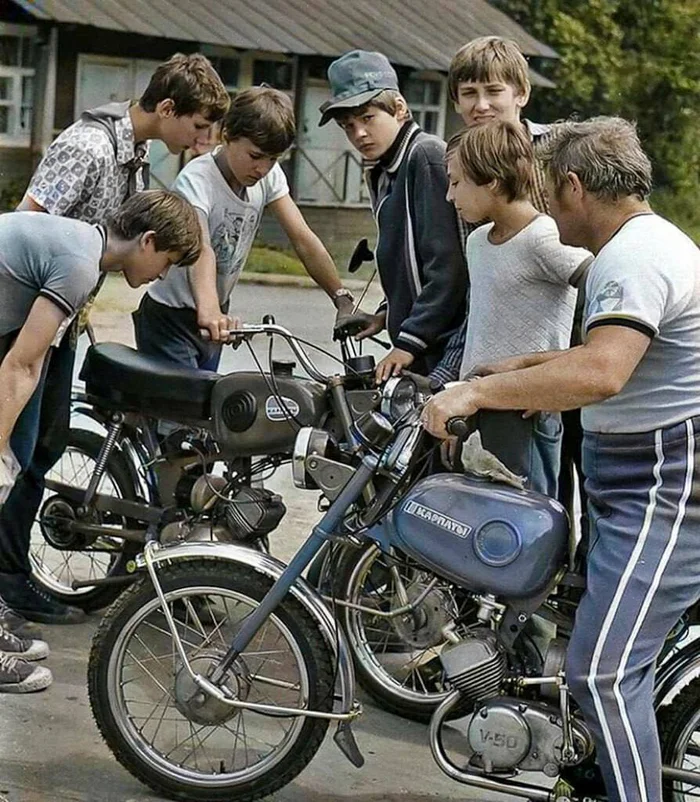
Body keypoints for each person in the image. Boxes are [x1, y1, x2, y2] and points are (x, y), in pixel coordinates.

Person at [422, 116, 700, 802]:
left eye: (549, 189)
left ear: (573, 187)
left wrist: (477, 390)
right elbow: (616, 358)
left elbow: (603, 373)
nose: (542, 202)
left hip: (665, 483)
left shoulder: (633, 259)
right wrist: (528, 365)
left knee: (601, 672)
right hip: (636, 473)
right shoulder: (636, 246)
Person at [0, 53, 228, 627]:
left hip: (60, 317)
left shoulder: (136, 157)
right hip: (29, 323)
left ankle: (11, 577)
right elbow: (32, 222)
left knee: (43, 447)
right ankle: (6, 584)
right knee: (13, 450)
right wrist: (37, 328)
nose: (201, 140)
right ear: (169, 108)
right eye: (198, 126)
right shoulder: (89, 146)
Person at [0, 191, 202, 626]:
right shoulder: (79, 264)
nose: (162, 273)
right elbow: (21, 364)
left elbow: (33, 359)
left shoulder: (85, 252)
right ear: (147, 240)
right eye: (167, 261)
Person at [134, 86, 355, 369]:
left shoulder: (268, 176)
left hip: (214, 315)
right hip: (172, 318)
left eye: (273, 159)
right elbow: (201, 249)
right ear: (226, 136)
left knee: (209, 408)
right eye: (255, 156)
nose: (263, 169)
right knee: (179, 410)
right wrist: (210, 310)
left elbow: (302, 238)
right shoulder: (196, 181)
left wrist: (340, 296)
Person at [445, 120, 590, 495]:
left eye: (457, 182)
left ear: (491, 180)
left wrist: (558, 370)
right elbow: (480, 327)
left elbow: (606, 290)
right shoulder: (477, 242)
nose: (449, 195)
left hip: (527, 412)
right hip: (478, 404)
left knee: (529, 525)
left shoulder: (544, 237)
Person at [320, 50, 467, 383]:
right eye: (348, 126)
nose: (358, 133)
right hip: (424, 342)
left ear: (399, 108)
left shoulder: (425, 157)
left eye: (367, 118)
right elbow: (406, 263)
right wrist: (385, 315)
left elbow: (447, 269)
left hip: (442, 345)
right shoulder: (385, 170)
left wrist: (409, 341)